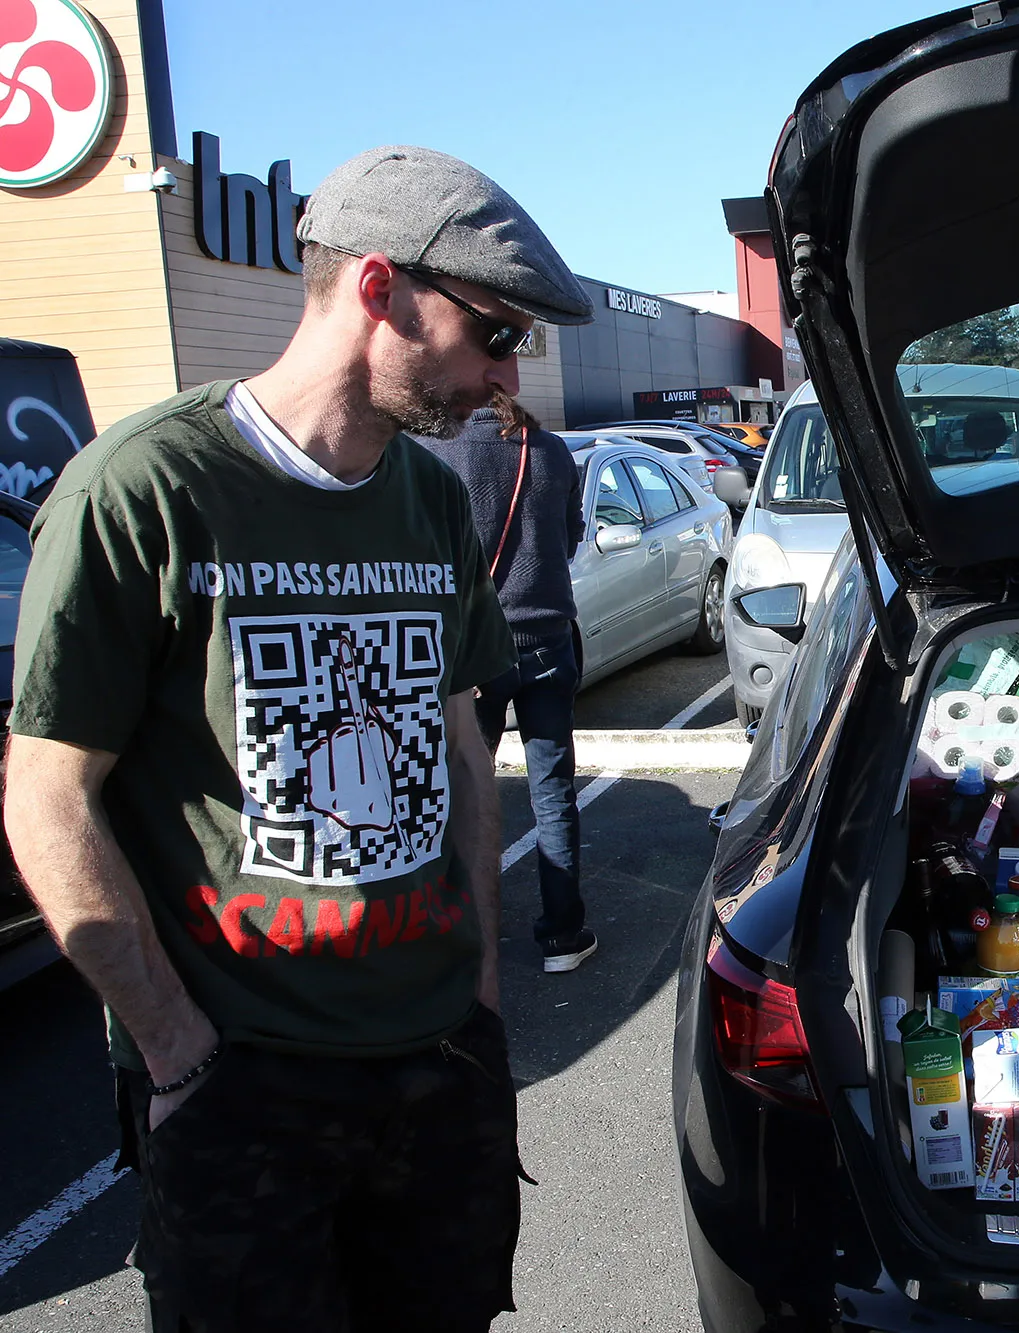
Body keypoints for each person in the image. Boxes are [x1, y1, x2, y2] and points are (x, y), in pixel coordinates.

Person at [2, 145, 594, 1331]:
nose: (502, 371)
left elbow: (467, 753)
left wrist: (477, 999)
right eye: (491, 331)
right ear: (379, 289)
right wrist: (179, 1055)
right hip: (246, 1076)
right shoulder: (145, 488)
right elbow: (47, 797)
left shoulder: (429, 501)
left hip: (437, 1067)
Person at [418, 393, 592, 973]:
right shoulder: (551, 451)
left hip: (476, 649)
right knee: (552, 790)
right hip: (548, 638)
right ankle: (563, 937)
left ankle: (462, 932)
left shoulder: (436, 449)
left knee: (463, 786)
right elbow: (569, 540)